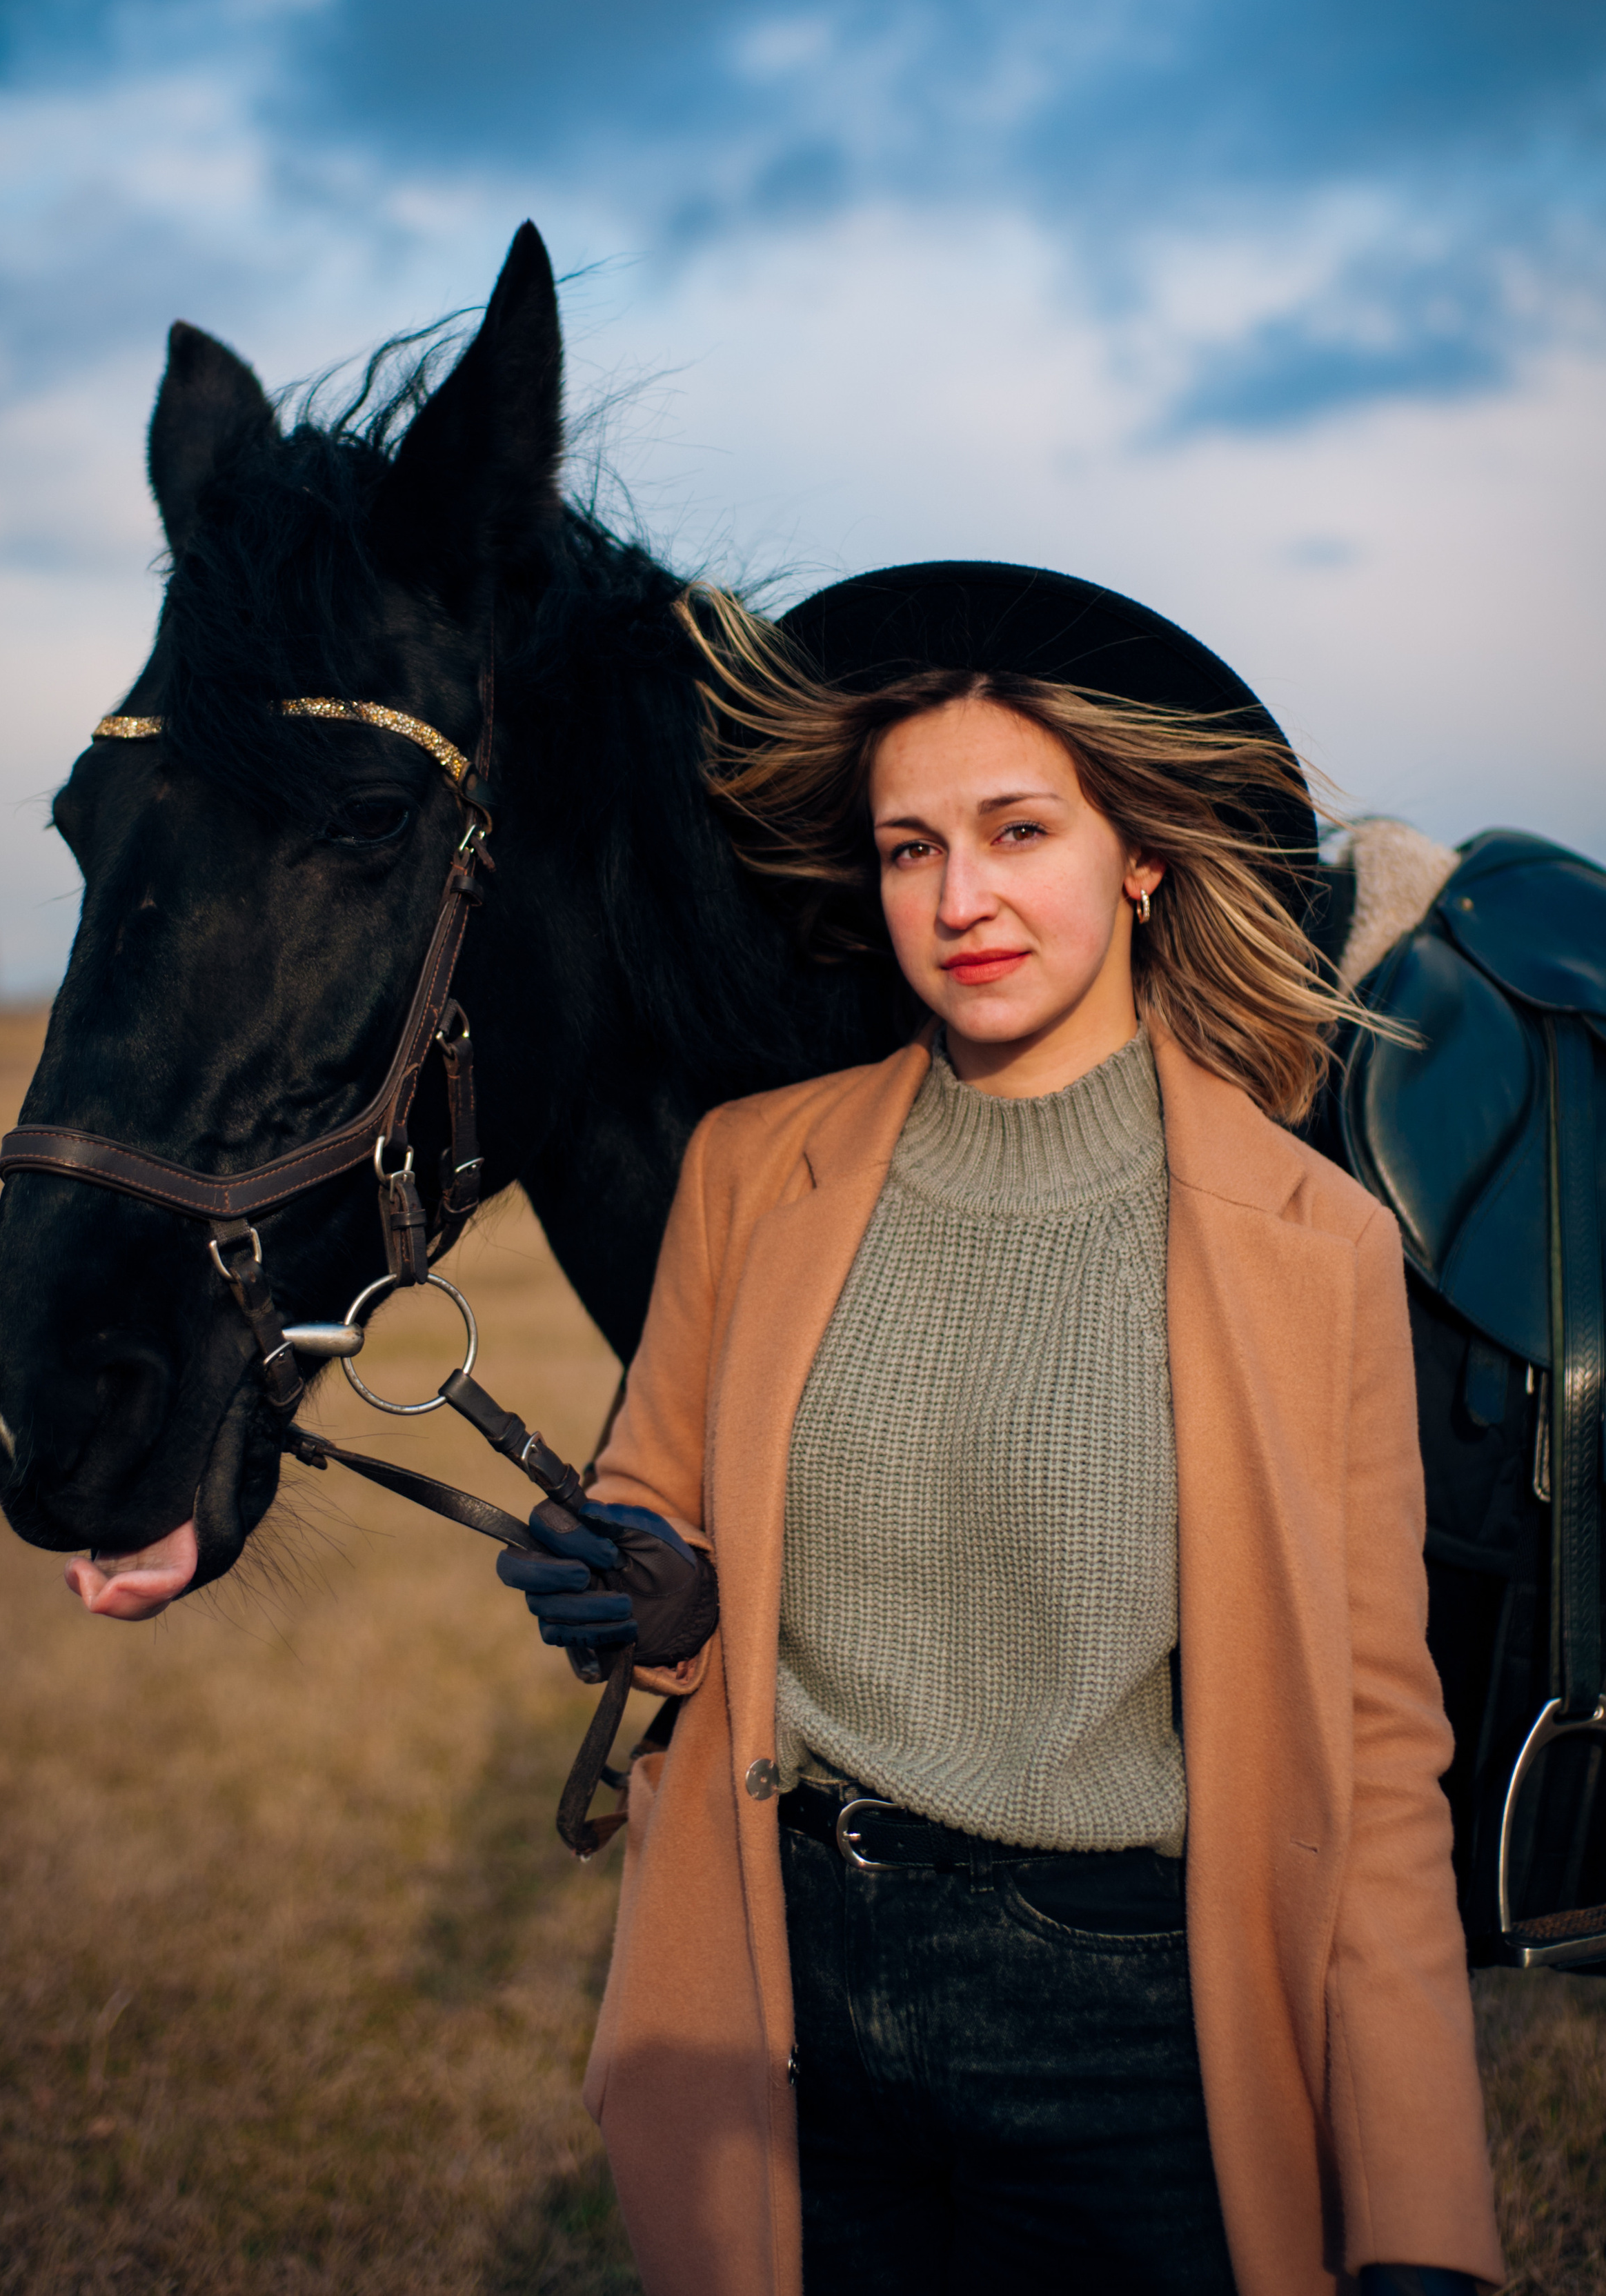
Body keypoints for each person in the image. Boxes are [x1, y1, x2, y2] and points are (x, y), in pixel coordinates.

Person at [496, 563, 1504, 2296]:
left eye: (1017, 830)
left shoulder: (1309, 1239)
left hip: (1124, 2034)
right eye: (908, 848)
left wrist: (1419, 2211)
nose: (960, 897)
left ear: (1136, 854)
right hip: (783, 1998)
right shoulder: (751, 1169)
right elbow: (661, 1505)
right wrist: (654, 1595)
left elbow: (1371, 1761)